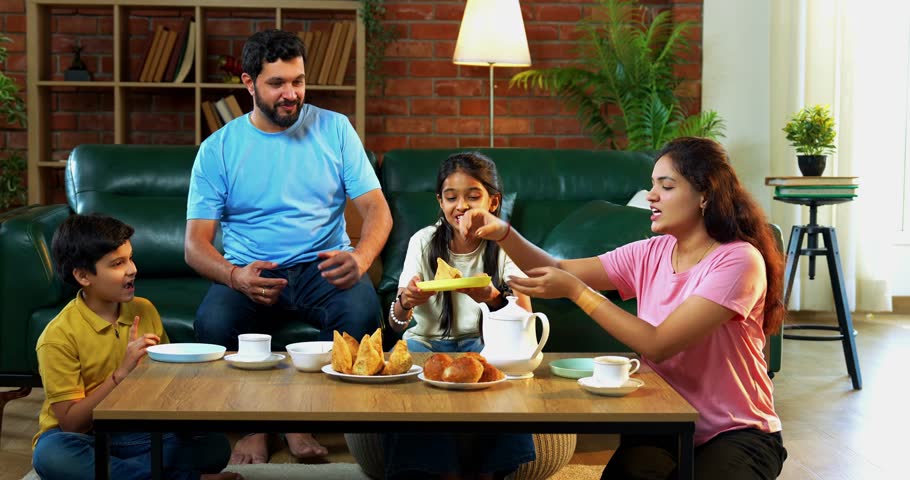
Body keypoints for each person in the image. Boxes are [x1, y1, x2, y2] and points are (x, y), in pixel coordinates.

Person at [461, 137, 788, 479]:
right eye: (652, 185)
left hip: (736, 432)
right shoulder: (651, 252)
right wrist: (503, 233)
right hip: (663, 423)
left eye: (667, 186)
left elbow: (659, 344)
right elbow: (557, 269)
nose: (651, 195)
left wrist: (578, 292)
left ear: (704, 194)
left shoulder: (738, 260)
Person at [185, 29, 392, 464]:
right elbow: (195, 246)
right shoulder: (218, 149)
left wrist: (361, 256)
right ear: (248, 83)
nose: (291, 94)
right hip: (250, 270)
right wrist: (234, 277)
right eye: (277, 83)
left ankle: (301, 419)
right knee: (212, 322)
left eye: (297, 81)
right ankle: (254, 427)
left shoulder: (335, 129)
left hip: (321, 266)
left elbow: (378, 211)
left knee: (362, 312)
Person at [32, 214, 239, 480]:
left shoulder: (143, 309)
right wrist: (121, 375)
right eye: (117, 263)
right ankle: (182, 478)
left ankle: (126, 474)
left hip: (136, 432)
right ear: (83, 276)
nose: (132, 269)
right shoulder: (58, 337)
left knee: (214, 446)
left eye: (130, 258)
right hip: (82, 437)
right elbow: (72, 423)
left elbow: (167, 384)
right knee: (52, 455)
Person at [382, 152, 536, 479]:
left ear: (493, 202)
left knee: (503, 377)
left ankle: (489, 472)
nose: (461, 206)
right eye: (451, 197)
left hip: (482, 347)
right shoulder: (423, 242)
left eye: (473, 196)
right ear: (440, 201)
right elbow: (396, 325)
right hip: (425, 344)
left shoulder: (506, 244)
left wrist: (492, 298)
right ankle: (437, 472)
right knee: (413, 382)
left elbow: (525, 317)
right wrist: (406, 301)